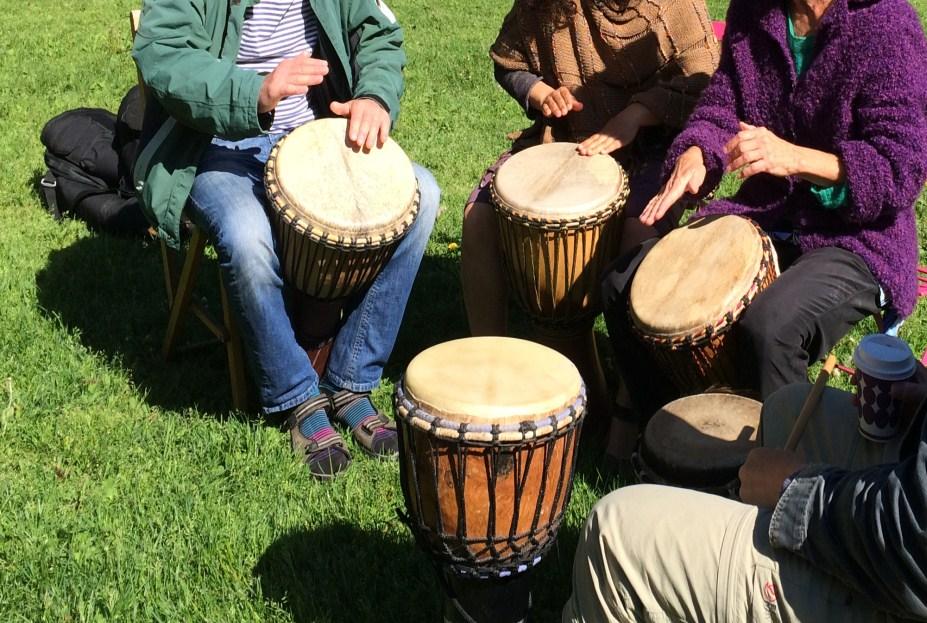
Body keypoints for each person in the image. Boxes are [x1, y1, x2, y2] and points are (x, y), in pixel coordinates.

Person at [132, 0, 440, 479]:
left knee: (422, 198)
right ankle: (298, 398)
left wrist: (376, 97)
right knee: (247, 235)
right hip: (214, 145)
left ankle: (351, 381)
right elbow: (161, 55)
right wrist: (255, 92)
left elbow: (379, 34)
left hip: (314, 132)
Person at [602, 0, 927, 439]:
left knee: (773, 327)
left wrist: (795, 159)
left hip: (857, 235)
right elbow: (722, 105)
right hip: (766, 212)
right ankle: (677, 445)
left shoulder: (887, 24)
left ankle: (793, 476)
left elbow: (900, 167)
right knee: (624, 285)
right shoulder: (754, 11)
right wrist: (700, 150)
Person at [563, 363, 927, 622]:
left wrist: (793, 489)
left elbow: (912, 541)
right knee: (792, 407)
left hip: (899, 577)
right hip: (903, 509)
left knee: (614, 530)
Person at [460, 0, 720, 337]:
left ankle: (634, 380)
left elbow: (707, 80)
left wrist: (638, 114)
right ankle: (484, 360)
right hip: (567, 140)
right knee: (478, 216)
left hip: (654, 145)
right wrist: (540, 93)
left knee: (638, 233)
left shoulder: (674, 6)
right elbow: (509, 62)